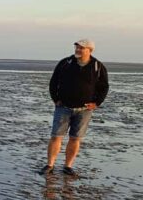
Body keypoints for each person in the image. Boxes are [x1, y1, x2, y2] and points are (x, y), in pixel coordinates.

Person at [39, 39, 109, 177]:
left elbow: (104, 87)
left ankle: (68, 166)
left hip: (84, 110)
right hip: (63, 107)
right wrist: (56, 99)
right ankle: (50, 165)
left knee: (75, 138)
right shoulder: (65, 63)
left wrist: (96, 103)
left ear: (90, 50)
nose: (78, 50)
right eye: (77, 47)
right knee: (56, 136)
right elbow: (54, 82)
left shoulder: (98, 66)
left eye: (81, 48)